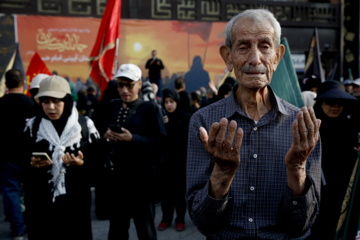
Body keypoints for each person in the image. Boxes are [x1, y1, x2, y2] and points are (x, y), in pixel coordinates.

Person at [186, 9, 322, 239]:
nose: (255, 59)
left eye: (265, 46)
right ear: (228, 57)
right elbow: (202, 221)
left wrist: (297, 169)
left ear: (278, 56)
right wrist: (222, 175)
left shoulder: (302, 127)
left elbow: (302, 225)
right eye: (244, 46)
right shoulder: (204, 122)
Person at [22, 75, 100, 240]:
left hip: (75, 206)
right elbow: (20, 164)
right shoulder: (32, 127)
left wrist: (81, 163)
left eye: (56, 101)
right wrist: (31, 163)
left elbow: (97, 168)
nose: (51, 107)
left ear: (67, 100)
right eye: (45, 101)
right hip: (41, 205)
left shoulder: (84, 127)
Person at [96, 63, 166, 240]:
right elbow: (96, 133)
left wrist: (133, 139)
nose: (124, 90)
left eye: (129, 85)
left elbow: (160, 144)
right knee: (117, 230)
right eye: (121, 85)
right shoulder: (111, 106)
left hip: (141, 181)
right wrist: (106, 136)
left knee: (145, 230)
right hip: (117, 180)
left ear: (139, 84)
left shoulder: (150, 108)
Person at [311, 80, 359, 239]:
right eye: (330, 102)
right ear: (320, 103)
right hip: (314, 199)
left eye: (340, 103)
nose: (335, 107)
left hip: (343, 198)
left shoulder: (350, 129)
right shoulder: (309, 129)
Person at [0, 69, 35, 240]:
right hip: (29, 155)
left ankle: (18, 228)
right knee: (31, 190)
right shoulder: (31, 104)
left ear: (6, 84)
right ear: (24, 83)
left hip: (6, 155)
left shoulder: (0, 104)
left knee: (11, 191)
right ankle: (31, 223)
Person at [157, 88, 191, 232]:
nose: (169, 105)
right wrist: (163, 125)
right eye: (166, 102)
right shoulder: (161, 118)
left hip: (181, 162)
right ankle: (166, 218)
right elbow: (159, 140)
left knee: (180, 193)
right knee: (166, 193)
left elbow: (185, 138)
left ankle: (180, 219)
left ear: (177, 102)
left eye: (171, 101)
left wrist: (171, 126)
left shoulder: (185, 117)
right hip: (166, 163)